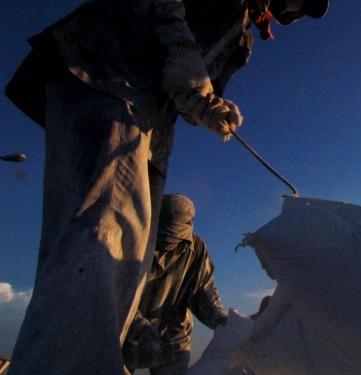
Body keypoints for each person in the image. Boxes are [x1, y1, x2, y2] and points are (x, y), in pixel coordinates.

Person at [5, 0, 328, 373]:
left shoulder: (239, 39)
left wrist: (209, 107)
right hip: (110, 74)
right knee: (98, 244)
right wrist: (179, 46)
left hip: (151, 128)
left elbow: (187, 89)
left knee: (125, 266)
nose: (297, 6)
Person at [123, 194, 227, 375]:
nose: (166, 242)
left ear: (188, 226)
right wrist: (140, 328)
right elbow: (117, 293)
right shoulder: (132, 242)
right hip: (128, 335)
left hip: (173, 337)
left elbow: (203, 289)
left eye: (172, 235)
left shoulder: (196, 249)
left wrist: (219, 319)